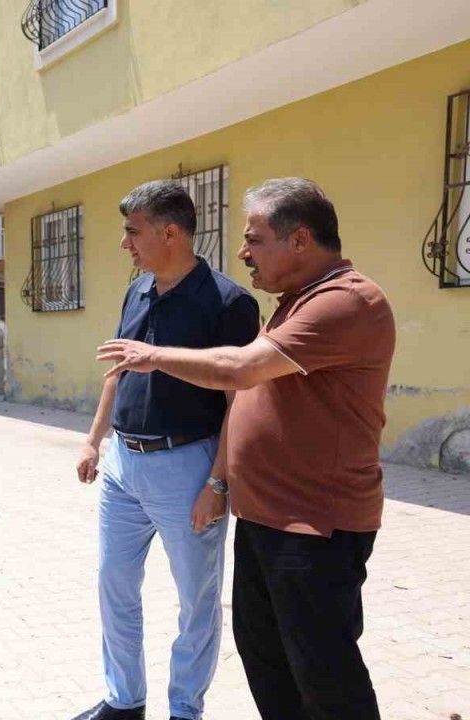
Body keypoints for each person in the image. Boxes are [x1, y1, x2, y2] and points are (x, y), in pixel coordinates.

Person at [97, 178, 392, 720]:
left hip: (314, 523)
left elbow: (240, 369)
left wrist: (153, 355)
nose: (242, 252)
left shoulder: (345, 302)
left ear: (300, 239)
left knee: (323, 672)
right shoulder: (293, 303)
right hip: (267, 517)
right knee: (267, 657)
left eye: (254, 239)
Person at [73, 180, 260, 720]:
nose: (125, 243)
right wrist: (93, 440)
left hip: (187, 468)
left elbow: (239, 401)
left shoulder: (228, 303)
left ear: (170, 232)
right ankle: (124, 700)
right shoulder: (137, 291)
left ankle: (184, 709)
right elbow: (118, 368)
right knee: (114, 585)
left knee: (196, 600)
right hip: (122, 465)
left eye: (133, 232)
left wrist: (218, 482)